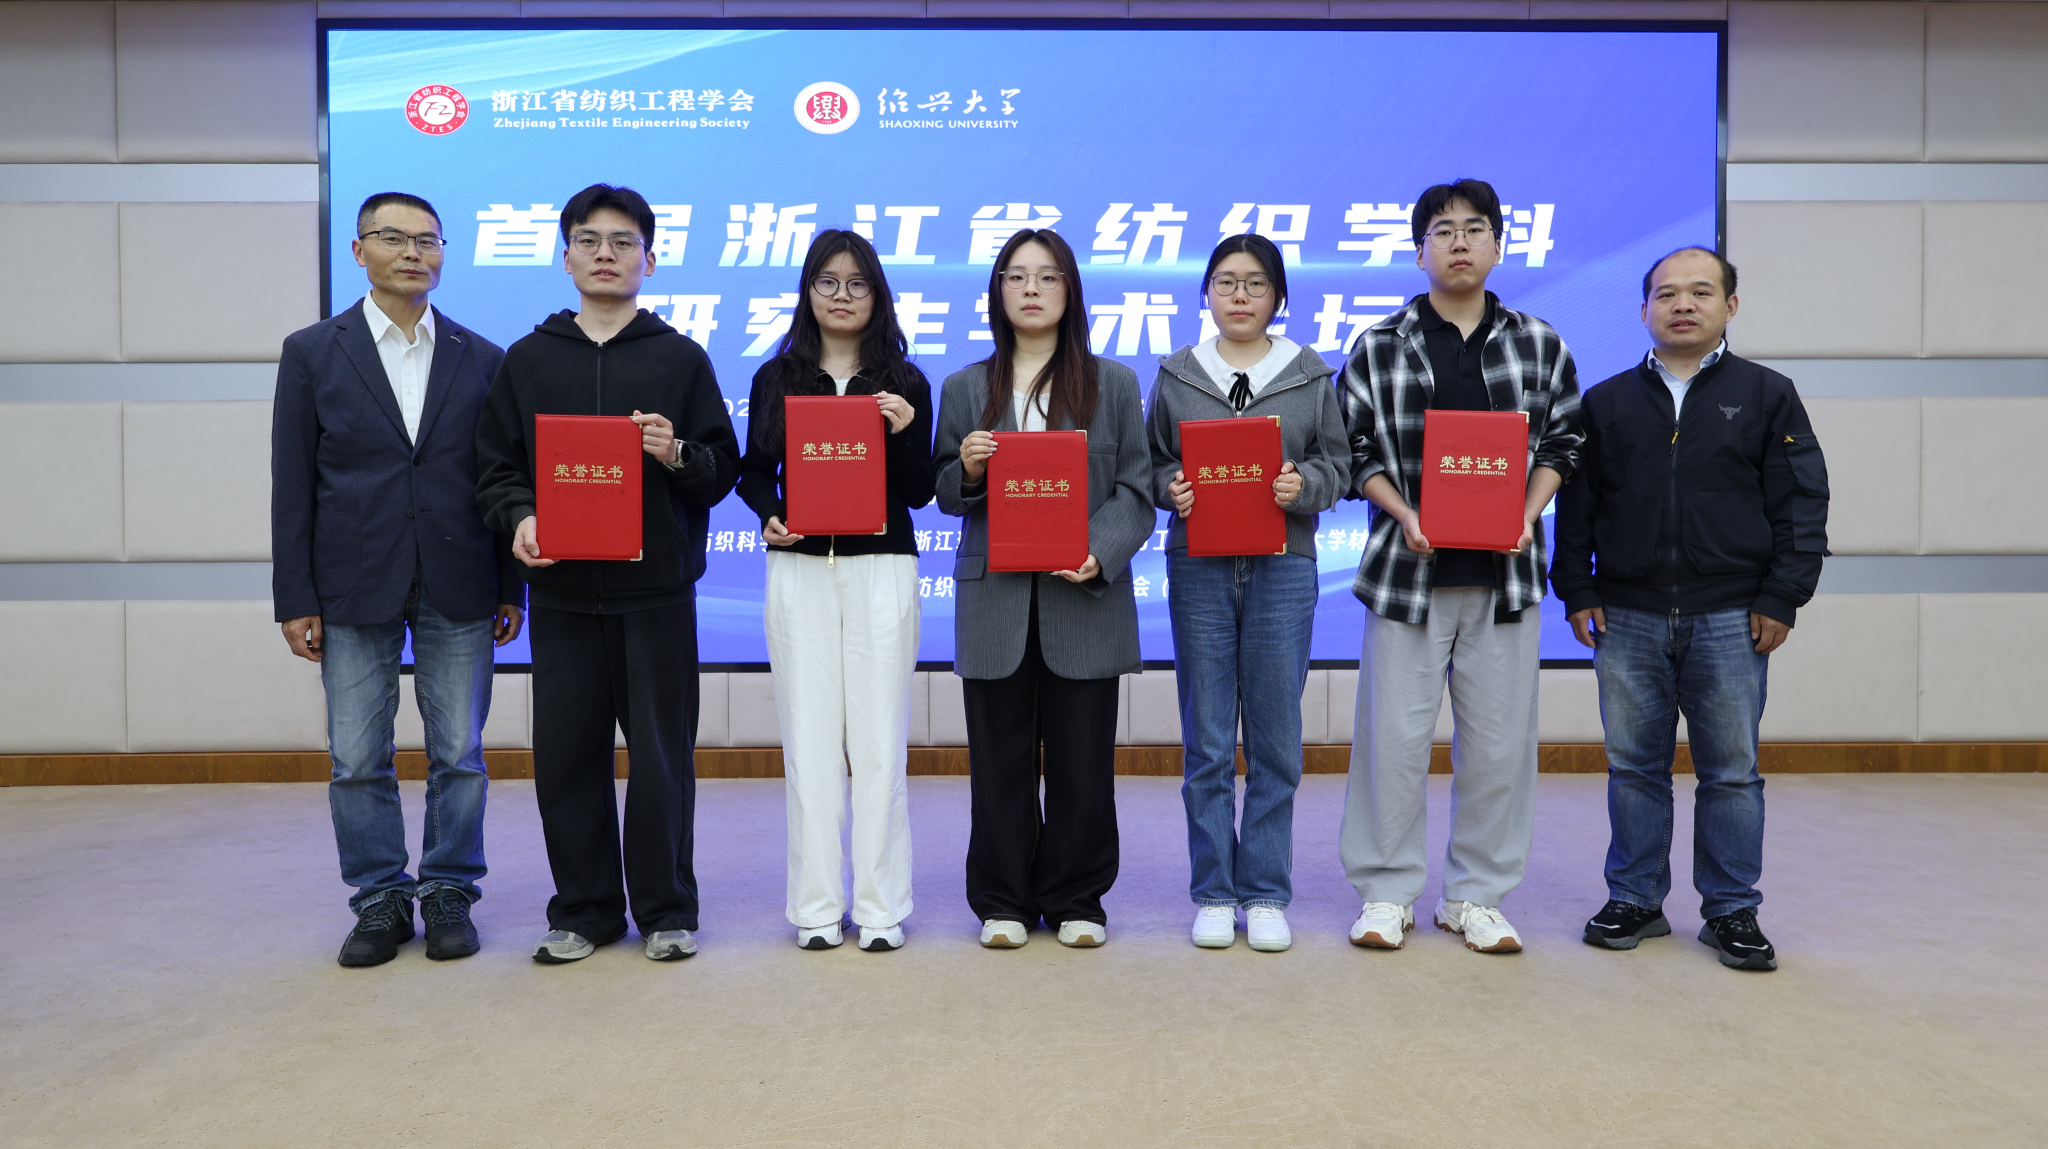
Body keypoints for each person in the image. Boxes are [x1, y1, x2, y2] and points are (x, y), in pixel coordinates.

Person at [475, 184, 739, 965]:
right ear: (566, 257)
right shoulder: (528, 359)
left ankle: (666, 909)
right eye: (589, 240)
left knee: (661, 759)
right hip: (562, 595)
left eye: (624, 242)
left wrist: (676, 452)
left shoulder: (680, 358)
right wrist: (521, 517)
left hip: (656, 594)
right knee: (567, 758)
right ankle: (585, 910)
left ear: (649, 260)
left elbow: (722, 469)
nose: (605, 254)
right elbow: (495, 468)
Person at [1552, 247, 1828, 972]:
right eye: (1667, 293)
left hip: (1732, 615)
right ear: (1643, 309)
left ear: (1729, 306)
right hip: (1627, 614)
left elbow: (1801, 502)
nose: (1683, 305)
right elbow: (1577, 507)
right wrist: (1577, 588)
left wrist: (1782, 595)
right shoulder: (1605, 402)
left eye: (1701, 292)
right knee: (1633, 768)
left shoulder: (1768, 394)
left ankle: (1732, 908)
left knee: (1731, 771)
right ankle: (1635, 898)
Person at [272, 191, 524, 967]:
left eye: (429, 240)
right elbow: (292, 482)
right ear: (359, 251)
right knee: (356, 755)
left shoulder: (483, 356)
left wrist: (509, 585)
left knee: (460, 752)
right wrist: (295, 595)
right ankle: (379, 896)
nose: (414, 252)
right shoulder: (313, 351)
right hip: (351, 580)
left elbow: (500, 477)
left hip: (460, 575)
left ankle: (449, 889)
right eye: (394, 237)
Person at [1337, 178, 1583, 955]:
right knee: (1392, 742)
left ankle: (1475, 895)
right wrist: (1404, 512)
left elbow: (1564, 441)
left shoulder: (1538, 342)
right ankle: (1386, 891)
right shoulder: (1380, 343)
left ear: (1499, 245)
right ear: (1420, 252)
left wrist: (1526, 512)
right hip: (1406, 573)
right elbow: (1354, 449)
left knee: (1500, 746)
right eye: (1442, 230)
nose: (1460, 242)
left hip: (1504, 576)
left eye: (1475, 228)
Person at [933, 228, 1155, 949]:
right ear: (997, 292)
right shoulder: (965, 387)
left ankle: (1076, 897)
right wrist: (968, 469)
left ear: (1070, 291)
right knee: (997, 760)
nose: (1031, 289)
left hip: (1082, 595)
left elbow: (1137, 491)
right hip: (994, 599)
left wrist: (1100, 549)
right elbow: (943, 491)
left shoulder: (1112, 383)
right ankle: (1002, 898)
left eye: (1048, 276)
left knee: (1082, 762)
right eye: (1016, 276)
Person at [1144, 234, 1351, 953]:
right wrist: (1170, 487)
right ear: (1206, 293)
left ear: (1278, 297)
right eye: (1226, 282)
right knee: (1206, 738)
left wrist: (1305, 484)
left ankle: (1263, 891)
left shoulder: (1308, 375)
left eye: (1255, 283)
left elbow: (1338, 464)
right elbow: (1151, 461)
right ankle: (1212, 891)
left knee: (1275, 738)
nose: (1239, 295)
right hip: (1198, 566)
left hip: (1283, 566)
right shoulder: (1177, 374)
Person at [736, 230, 935, 953]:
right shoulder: (778, 377)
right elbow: (753, 471)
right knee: (810, 744)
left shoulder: (905, 381)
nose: (842, 296)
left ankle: (881, 907)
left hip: (882, 567)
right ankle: (817, 906)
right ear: (807, 292)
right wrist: (770, 514)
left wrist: (904, 431)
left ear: (877, 295)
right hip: (800, 569)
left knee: (879, 744)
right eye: (828, 282)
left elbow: (920, 490)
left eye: (857, 283)